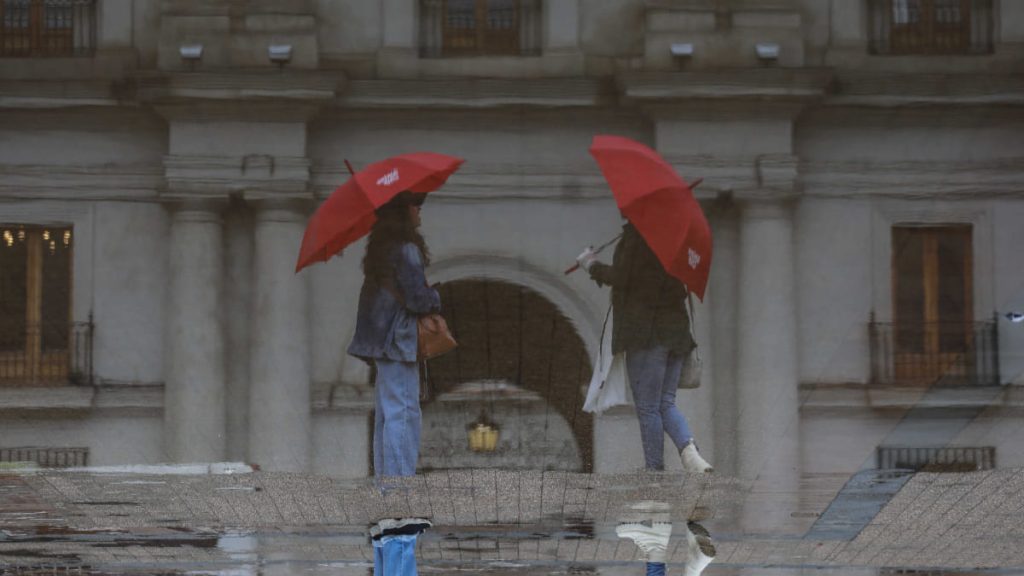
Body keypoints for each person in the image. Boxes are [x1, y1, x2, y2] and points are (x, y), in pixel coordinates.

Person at [577, 222, 713, 473]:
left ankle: (654, 471)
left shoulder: (638, 239)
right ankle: (691, 452)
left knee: (649, 406)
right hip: (676, 336)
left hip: (646, 334)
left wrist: (591, 265)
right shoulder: (672, 239)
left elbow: (622, 277)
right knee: (666, 403)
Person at [348, 191, 440, 479]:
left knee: (388, 414)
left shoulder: (380, 250)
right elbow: (417, 300)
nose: (420, 212)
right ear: (404, 211)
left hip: (380, 340)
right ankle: (400, 486)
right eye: (416, 206)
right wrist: (435, 296)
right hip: (398, 338)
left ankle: (387, 484)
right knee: (404, 412)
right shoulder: (406, 249)